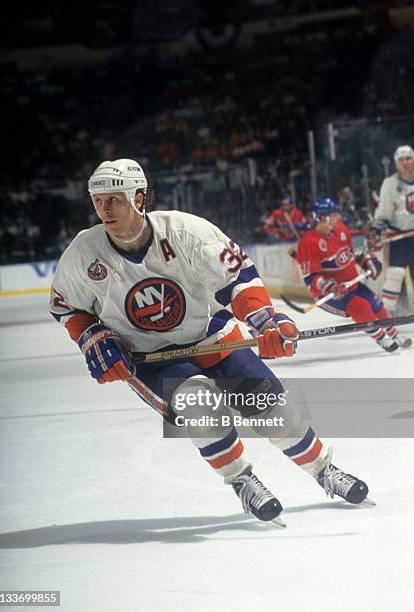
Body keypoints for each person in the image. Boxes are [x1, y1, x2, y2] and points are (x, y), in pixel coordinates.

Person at [50, 159, 370, 524]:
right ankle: (243, 481)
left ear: (139, 198)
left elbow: (237, 279)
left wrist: (267, 320)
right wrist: (91, 334)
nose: (104, 209)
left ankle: (323, 470)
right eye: (98, 200)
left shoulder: (185, 230)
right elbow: (65, 305)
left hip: (211, 333)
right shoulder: (84, 251)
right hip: (150, 356)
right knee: (200, 407)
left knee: (267, 403)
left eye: (114, 199)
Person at [296, 197, 411, 352]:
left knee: (375, 303)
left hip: (352, 284)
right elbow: (311, 278)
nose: (339, 217)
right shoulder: (309, 242)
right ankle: (382, 338)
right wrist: (328, 286)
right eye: (334, 214)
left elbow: (350, 255)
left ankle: (394, 334)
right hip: (329, 294)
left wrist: (367, 261)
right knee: (361, 306)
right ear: (323, 217)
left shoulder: (341, 230)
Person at [369, 145, 414, 313]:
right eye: (401, 160)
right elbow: (383, 213)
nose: (406, 163)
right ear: (396, 163)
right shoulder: (389, 184)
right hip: (399, 238)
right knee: (395, 274)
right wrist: (376, 230)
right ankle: (395, 311)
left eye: (408, 158)